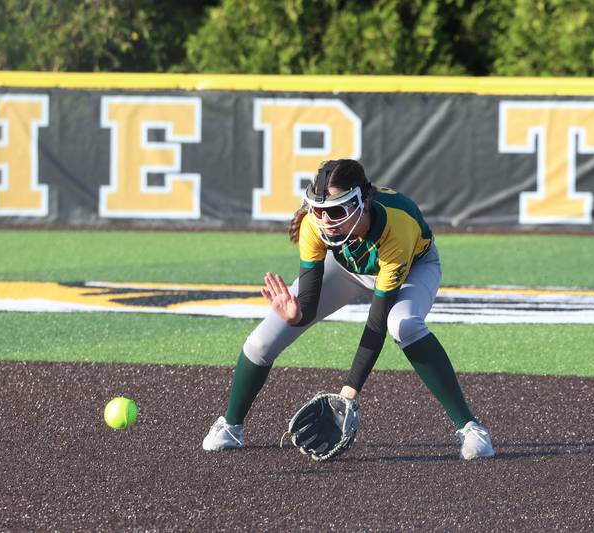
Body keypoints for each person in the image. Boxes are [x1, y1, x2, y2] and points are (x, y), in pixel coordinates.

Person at [202, 159, 494, 460]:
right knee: (263, 339)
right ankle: (231, 425)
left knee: (403, 324)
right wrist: (296, 316)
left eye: (337, 210)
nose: (326, 220)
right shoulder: (313, 225)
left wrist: (348, 394)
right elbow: (310, 302)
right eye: (319, 210)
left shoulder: (397, 225)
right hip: (344, 268)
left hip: (413, 269)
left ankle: (471, 428)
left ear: (363, 201)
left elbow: (377, 322)